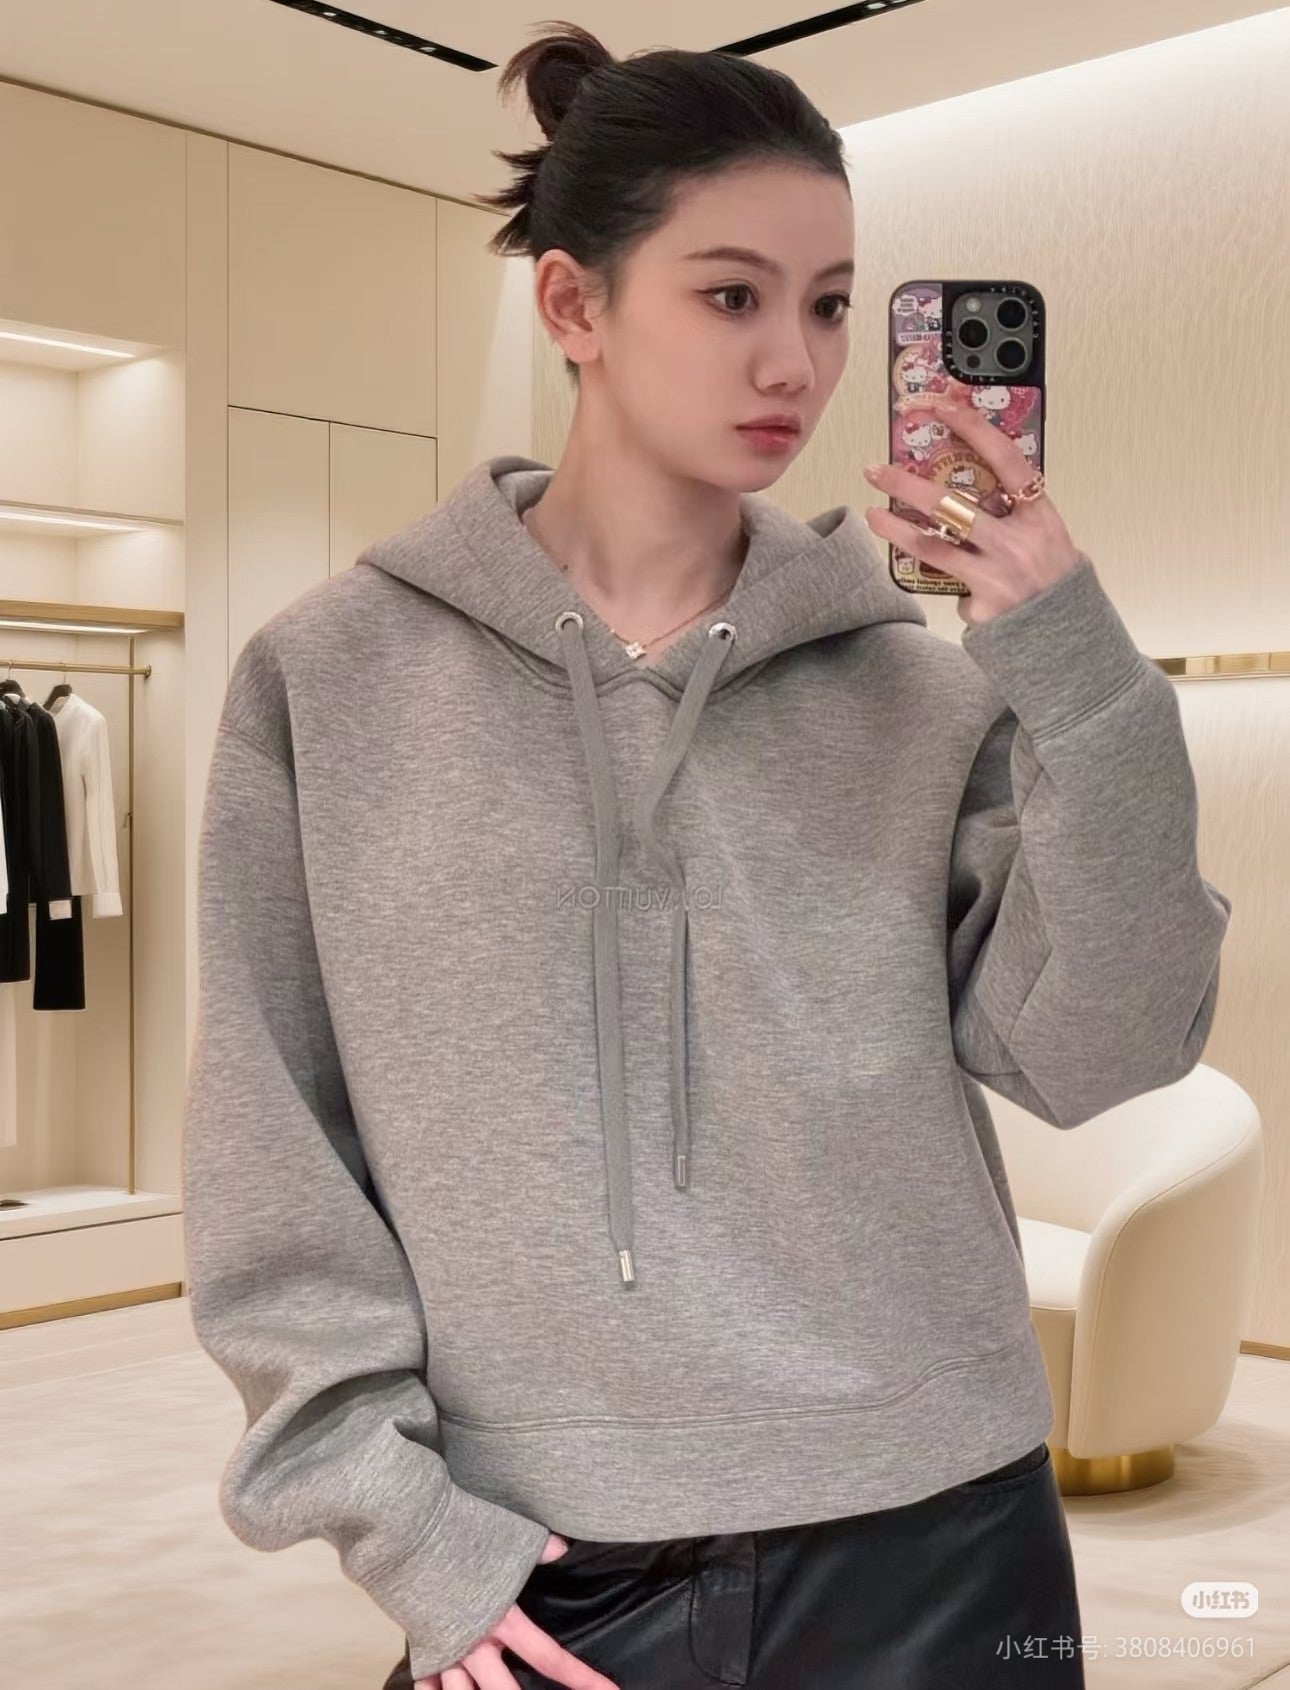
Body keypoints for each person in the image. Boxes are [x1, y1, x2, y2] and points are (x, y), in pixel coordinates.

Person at [181, 19, 1232, 1690]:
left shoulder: (917, 691)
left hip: (939, 1531)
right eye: (731, 295)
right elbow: (271, 1139)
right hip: (540, 1550)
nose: (792, 364)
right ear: (573, 304)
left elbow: (1105, 1047)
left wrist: (1078, 674)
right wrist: (401, 1522)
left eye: (828, 304)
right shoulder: (335, 677)